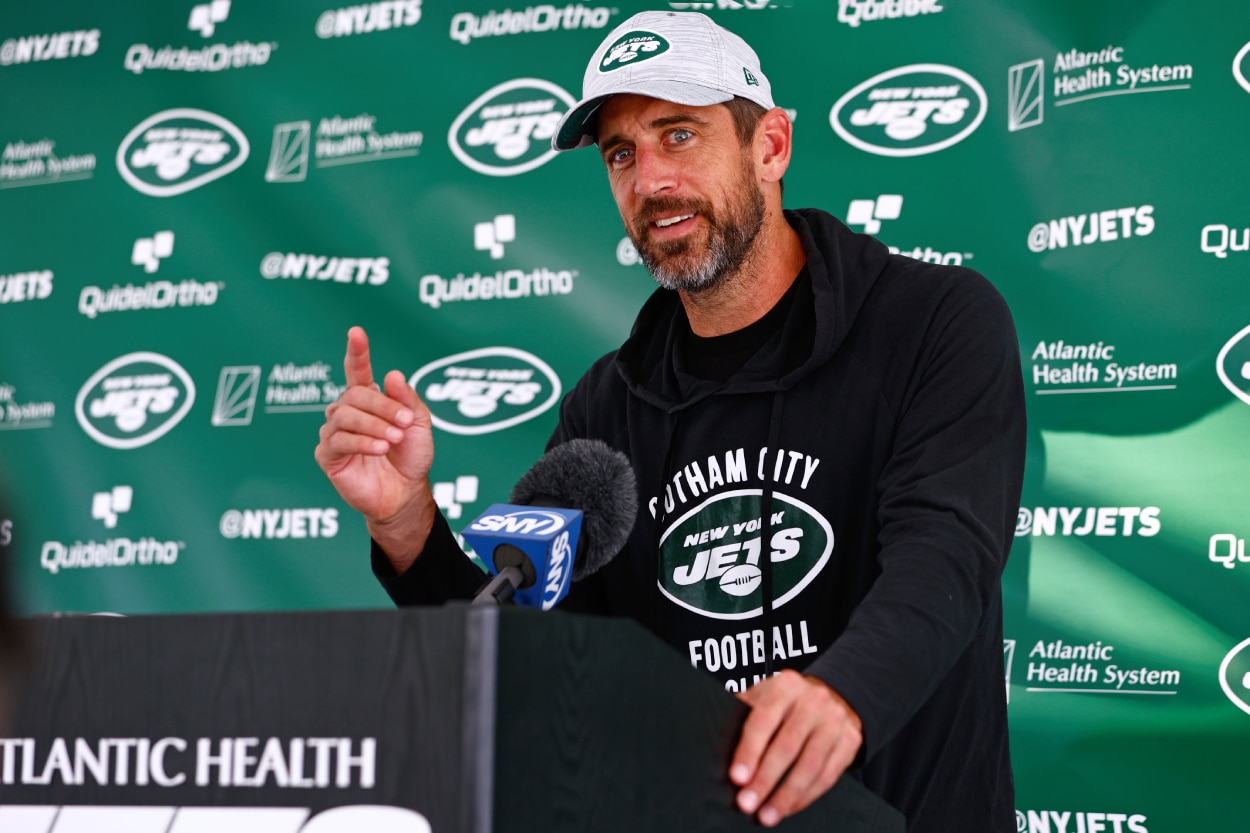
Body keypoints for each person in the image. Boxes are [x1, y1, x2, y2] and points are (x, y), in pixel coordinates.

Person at [316, 11, 1025, 832]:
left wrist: (842, 692)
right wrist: (408, 522)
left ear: (771, 147)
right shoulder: (605, 406)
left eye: (678, 135)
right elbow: (527, 662)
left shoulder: (934, 322)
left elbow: (946, 558)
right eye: (622, 153)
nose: (649, 180)